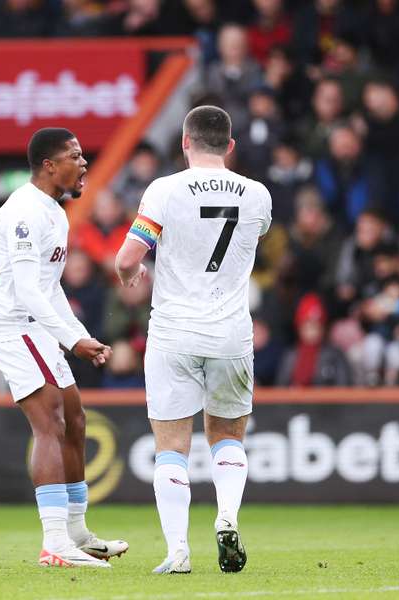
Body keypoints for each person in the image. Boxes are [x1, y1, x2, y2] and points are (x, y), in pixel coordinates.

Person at [114, 106, 272, 575]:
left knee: (171, 447)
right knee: (227, 437)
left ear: (184, 142)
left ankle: (178, 551)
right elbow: (251, 237)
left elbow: (127, 258)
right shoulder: (257, 195)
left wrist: (133, 270)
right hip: (230, 333)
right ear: (230, 146)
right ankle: (226, 518)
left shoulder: (163, 190)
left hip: (173, 333)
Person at [0, 127, 127, 568]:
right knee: (51, 420)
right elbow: (26, 289)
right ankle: (54, 543)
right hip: (12, 326)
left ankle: (77, 532)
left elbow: (49, 287)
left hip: (35, 327)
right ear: (49, 165)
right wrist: (71, 340)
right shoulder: (25, 212)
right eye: (75, 156)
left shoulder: (55, 211)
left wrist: (77, 332)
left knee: (76, 417)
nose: (84, 164)